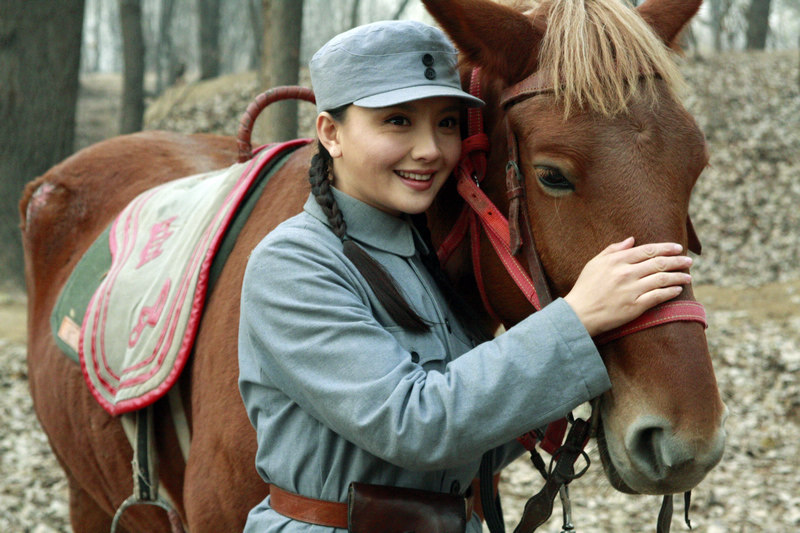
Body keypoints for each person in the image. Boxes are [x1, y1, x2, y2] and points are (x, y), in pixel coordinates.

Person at [237, 20, 693, 533]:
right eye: (397, 122)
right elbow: (413, 426)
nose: (430, 149)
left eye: (447, 124)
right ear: (331, 133)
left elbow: (466, 445)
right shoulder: (294, 264)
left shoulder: (425, 260)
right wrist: (575, 320)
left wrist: (592, 374)